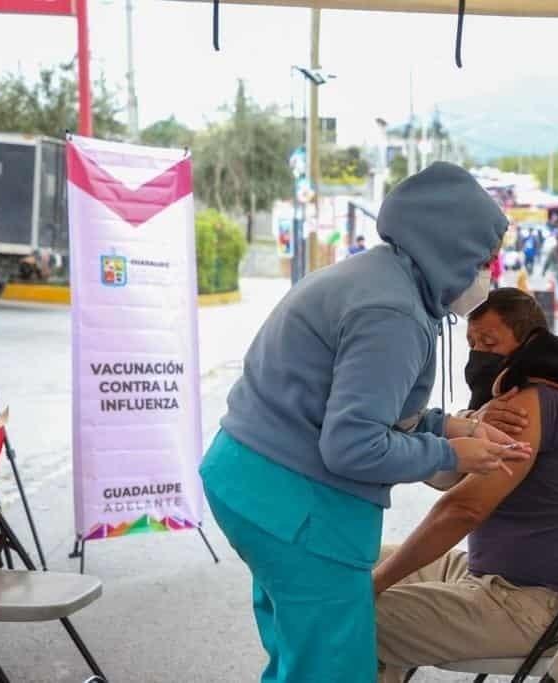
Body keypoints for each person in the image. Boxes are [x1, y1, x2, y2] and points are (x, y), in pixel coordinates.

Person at [199, 162, 531, 683]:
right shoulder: (393, 312)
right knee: (332, 668)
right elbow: (352, 445)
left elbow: (372, 406)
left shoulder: (379, 278)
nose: (489, 273)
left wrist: (452, 427)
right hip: (294, 504)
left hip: (253, 483)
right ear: (448, 247)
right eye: (483, 258)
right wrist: (452, 455)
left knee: (299, 655)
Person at [374, 289, 558, 683]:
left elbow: (461, 507)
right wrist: (472, 422)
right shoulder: (518, 395)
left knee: (349, 611)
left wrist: (378, 585)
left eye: (489, 343)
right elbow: (446, 475)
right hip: (493, 573)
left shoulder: (530, 400)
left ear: (528, 342)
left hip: (526, 601)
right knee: (353, 560)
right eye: (472, 343)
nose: (478, 355)